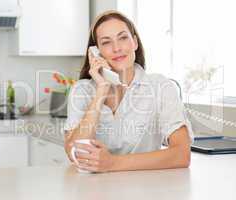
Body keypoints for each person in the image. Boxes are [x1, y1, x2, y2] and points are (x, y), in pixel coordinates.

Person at [63, 10, 194, 173]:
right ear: (95, 53)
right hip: (95, 193)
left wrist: (112, 163)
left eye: (123, 38)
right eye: (106, 42)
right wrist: (101, 91)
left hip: (147, 190)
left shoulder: (161, 86)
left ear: (135, 43)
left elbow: (181, 155)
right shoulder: (82, 90)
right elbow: (75, 153)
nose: (117, 48)